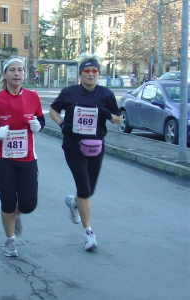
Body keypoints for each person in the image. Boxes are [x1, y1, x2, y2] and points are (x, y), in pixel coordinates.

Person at [49, 53, 121, 251]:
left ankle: (73, 202)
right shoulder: (70, 92)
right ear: (80, 74)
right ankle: (89, 233)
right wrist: (62, 123)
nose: (91, 74)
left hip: (96, 146)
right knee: (84, 188)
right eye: (87, 71)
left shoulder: (106, 94)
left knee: (89, 190)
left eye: (94, 71)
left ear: (99, 73)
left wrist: (106, 113)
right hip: (73, 145)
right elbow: (53, 110)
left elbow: (117, 118)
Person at [0, 57, 45, 257]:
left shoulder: (33, 97)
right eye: (12, 70)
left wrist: (38, 125)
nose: (17, 74)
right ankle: (10, 241)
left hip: (28, 159)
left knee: (29, 204)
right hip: (1, 160)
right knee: (7, 201)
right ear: (5, 75)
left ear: (24, 74)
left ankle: (14, 216)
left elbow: (40, 118)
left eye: (20, 70)